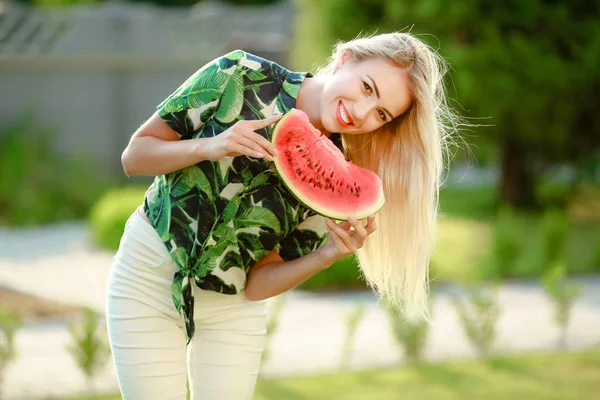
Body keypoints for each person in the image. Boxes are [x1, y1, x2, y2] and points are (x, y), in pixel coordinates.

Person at [106, 31, 457, 399]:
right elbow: (135, 157)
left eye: (381, 114)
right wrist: (212, 145)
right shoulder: (239, 75)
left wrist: (327, 256)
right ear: (346, 59)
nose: (360, 113)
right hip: (149, 278)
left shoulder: (338, 178)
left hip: (232, 310)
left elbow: (258, 283)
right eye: (367, 89)